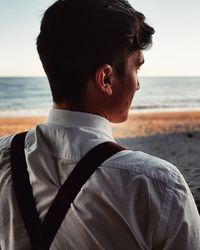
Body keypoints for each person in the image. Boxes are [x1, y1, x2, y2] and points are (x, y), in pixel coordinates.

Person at [0, 0, 200, 249]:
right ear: (106, 78)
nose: (137, 84)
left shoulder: (3, 157)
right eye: (136, 67)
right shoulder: (156, 185)